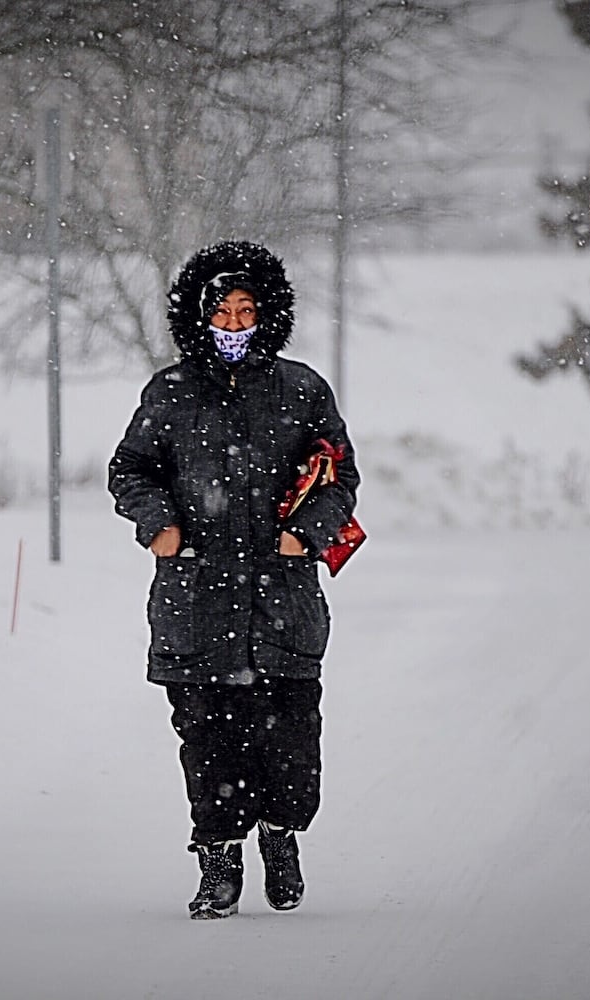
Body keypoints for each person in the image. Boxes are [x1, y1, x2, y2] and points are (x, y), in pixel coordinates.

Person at [108, 241, 361, 919]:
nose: (233, 323)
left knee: (291, 746)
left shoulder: (302, 390)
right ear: (198, 317)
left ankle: (281, 836)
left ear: (269, 313)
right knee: (209, 743)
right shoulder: (170, 393)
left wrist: (304, 533)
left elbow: (340, 478)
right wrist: (158, 523)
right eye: (221, 311)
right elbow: (130, 470)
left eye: (246, 310)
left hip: (284, 604)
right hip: (197, 605)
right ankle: (218, 859)